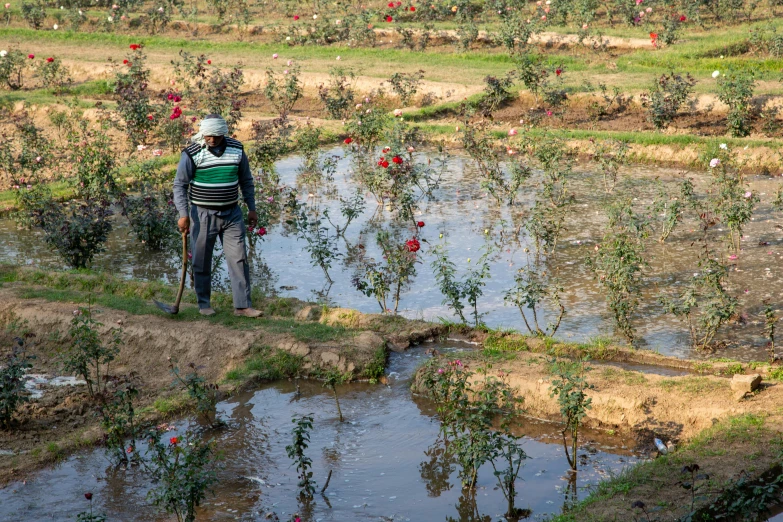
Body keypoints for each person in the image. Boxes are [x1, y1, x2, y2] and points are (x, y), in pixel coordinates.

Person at [173, 114, 263, 318]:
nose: (212, 139)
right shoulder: (192, 153)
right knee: (201, 259)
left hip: (232, 213)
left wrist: (252, 207)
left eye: (216, 135)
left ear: (224, 132)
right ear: (202, 134)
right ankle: (204, 303)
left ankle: (242, 306)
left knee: (238, 259)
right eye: (208, 136)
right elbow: (180, 185)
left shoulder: (237, 149)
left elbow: (246, 180)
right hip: (202, 214)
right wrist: (183, 214)